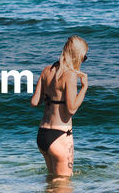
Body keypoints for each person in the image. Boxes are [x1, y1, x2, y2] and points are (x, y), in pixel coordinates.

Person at [30, 35, 88, 177]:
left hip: (43, 134)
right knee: (64, 189)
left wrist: (51, 94)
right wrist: (84, 87)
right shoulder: (70, 75)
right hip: (60, 136)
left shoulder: (46, 70)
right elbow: (71, 109)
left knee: (52, 181)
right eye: (84, 58)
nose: (83, 61)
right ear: (77, 56)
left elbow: (34, 102)